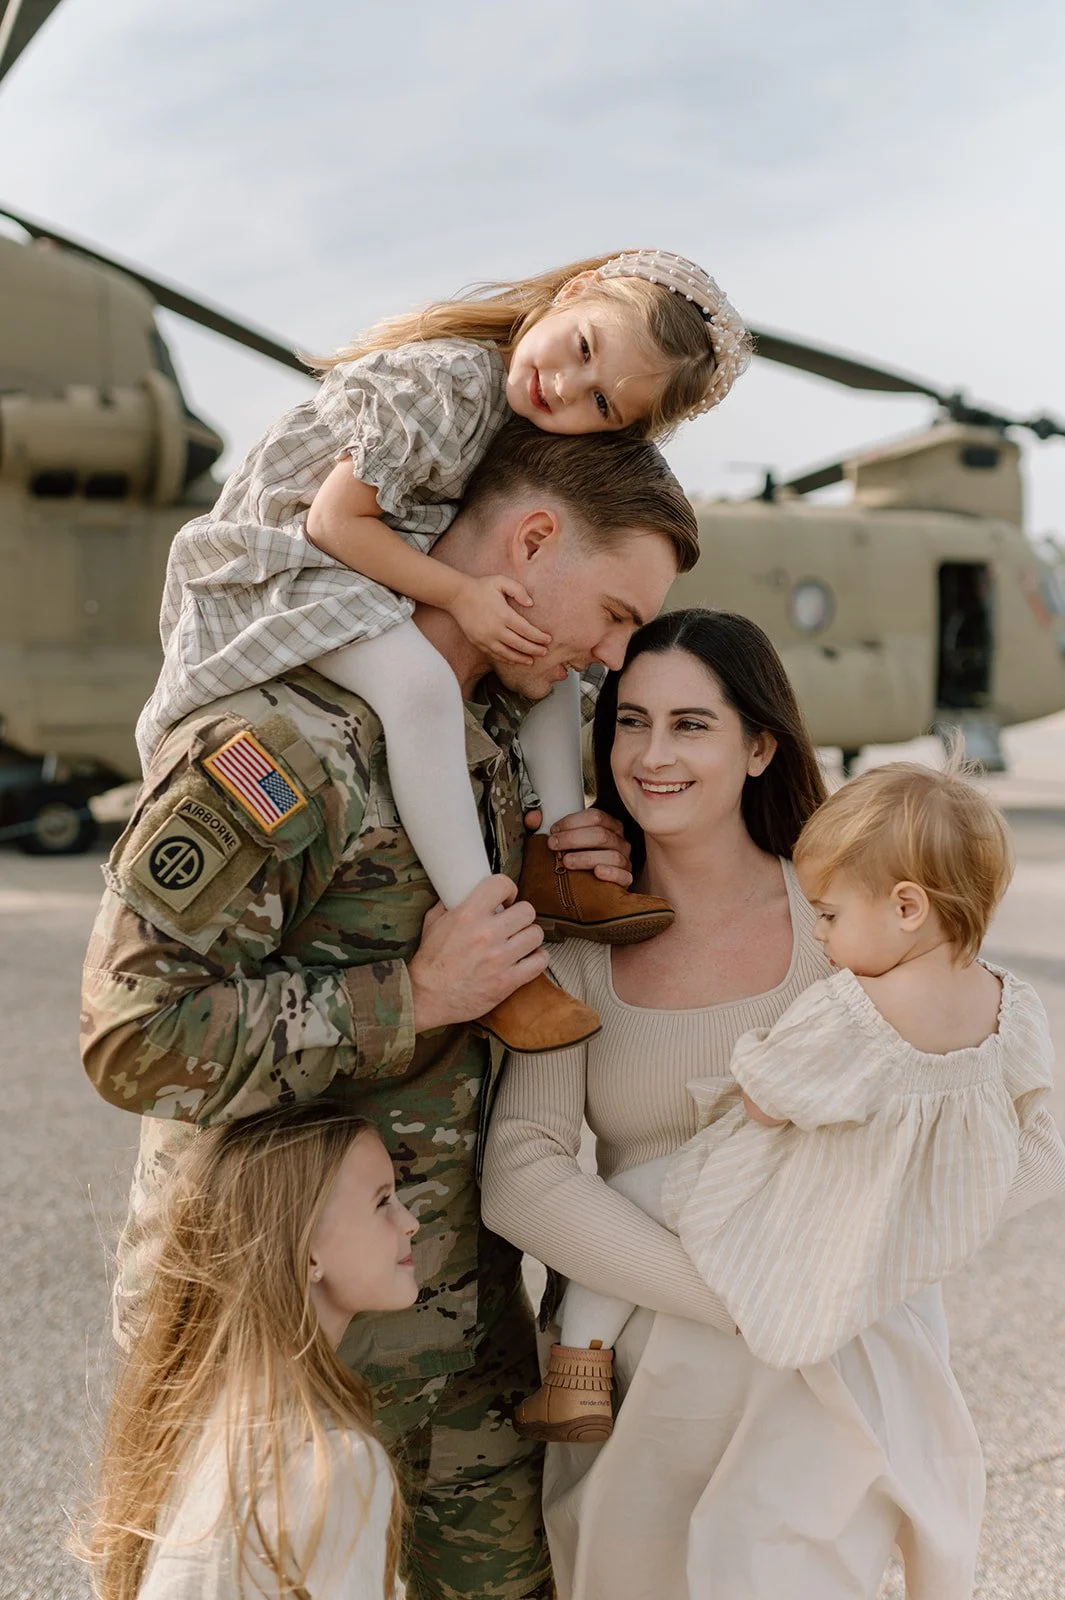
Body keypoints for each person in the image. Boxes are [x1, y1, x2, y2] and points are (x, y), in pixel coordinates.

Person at [81, 421, 700, 1600]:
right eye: (614, 613)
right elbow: (130, 1030)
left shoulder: (501, 757)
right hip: (282, 1341)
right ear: (530, 542)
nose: (611, 657)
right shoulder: (277, 746)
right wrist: (411, 996)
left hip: (462, 1344)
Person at [480, 608, 1065, 1600]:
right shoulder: (580, 942)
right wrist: (742, 1296)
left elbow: (977, 1101)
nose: (652, 755)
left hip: (833, 1367)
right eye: (630, 721)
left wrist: (857, 1272)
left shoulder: (850, 915)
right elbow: (519, 1174)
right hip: (647, 1385)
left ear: (761, 744)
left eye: (692, 725)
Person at [137, 249, 751, 1052]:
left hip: (366, 568)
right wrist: (461, 594)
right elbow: (332, 525)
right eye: (584, 348)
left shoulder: (522, 427)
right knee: (421, 685)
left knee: (547, 666)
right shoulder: (449, 382)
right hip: (285, 565)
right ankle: (492, 943)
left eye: (599, 400)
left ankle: (557, 862)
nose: (566, 386)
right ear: (572, 293)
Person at [513, 759, 1054, 1446]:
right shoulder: (1012, 1006)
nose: (820, 934)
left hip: (787, 1186)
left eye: (828, 915)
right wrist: (934, 1198)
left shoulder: (854, 1011)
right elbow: (1033, 1144)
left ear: (907, 907)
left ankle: (576, 1371)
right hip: (885, 1246)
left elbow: (770, 1102)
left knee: (634, 1202)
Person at [87, 1102, 416, 1599]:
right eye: (382, 1201)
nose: (409, 1221)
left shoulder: (195, 1416)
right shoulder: (335, 1466)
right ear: (307, 1250)